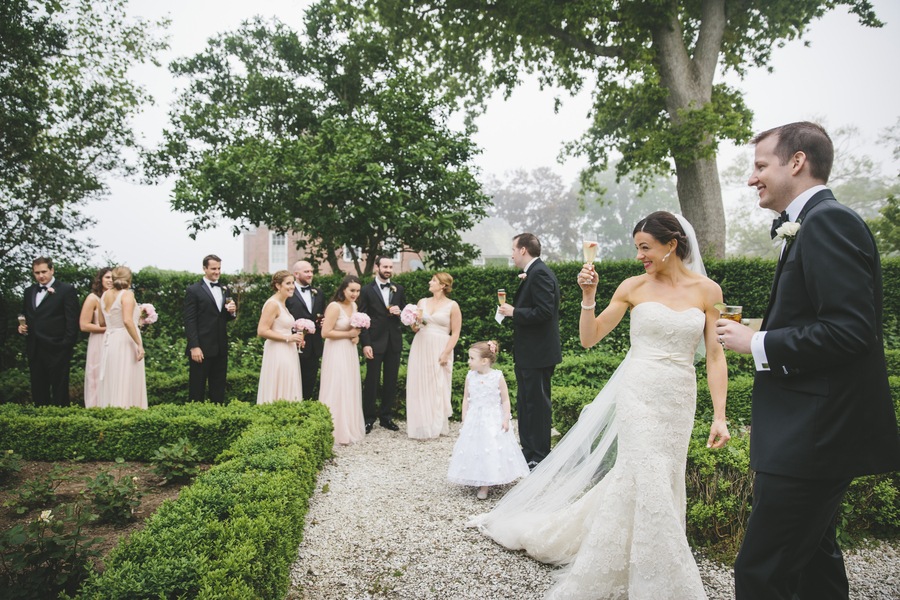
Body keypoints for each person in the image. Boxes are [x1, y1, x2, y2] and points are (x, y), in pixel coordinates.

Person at [470, 212, 731, 599]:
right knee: (647, 471)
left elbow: (713, 355)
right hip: (638, 392)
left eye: (646, 247)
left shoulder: (709, 291)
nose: (639, 255)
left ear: (671, 245)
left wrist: (721, 416)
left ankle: (634, 551)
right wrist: (588, 298)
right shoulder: (632, 286)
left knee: (662, 475)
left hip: (679, 397)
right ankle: (663, 579)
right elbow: (589, 338)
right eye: (637, 247)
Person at [716, 122, 900, 599]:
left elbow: (851, 331)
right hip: (811, 434)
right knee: (815, 566)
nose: (751, 178)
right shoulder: (811, 223)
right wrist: (763, 332)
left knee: (761, 574)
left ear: (796, 162)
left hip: (814, 439)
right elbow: (825, 321)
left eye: (760, 166)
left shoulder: (828, 221)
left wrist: (757, 344)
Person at [497, 233, 561, 469]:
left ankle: (540, 455)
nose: (512, 254)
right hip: (529, 353)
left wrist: (515, 312)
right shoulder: (534, 273)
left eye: (513, 249)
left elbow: (544, 312)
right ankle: (529, 451)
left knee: (537, 405)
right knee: (526, 403)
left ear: (523, 250)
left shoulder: (541, 273)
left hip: (538, 354)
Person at [447, 340, 529, 500]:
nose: (468, 361)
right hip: (475, 418)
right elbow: (466, 398)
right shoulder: (470, 376)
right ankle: (475, 474)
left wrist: (506, 419)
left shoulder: (497, 376)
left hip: (492, 419)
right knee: (474, 447)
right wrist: (465, 417)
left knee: (490, 446)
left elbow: (505, 400)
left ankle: (486, 482)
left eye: (471, 358)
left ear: (484, 361)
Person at [406, 272, 462, 439]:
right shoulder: (422, 302)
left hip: (440, 347)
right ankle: (420, 425)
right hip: (421, 344)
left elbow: (456, 333)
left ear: (443, 285)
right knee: (419, 383)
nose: (430, 282)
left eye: (434, 280)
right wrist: (415, 324)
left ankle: (435, 425)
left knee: (437, 384)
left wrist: (446, 353)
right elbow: (416, 327)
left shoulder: (453, 305)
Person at [18, 257, 80, 407]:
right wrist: (22, 329)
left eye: (44, 271)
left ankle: (61, 422)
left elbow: (72, 320)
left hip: (57, 348)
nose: (41, 275)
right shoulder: (28, 292)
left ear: (52, 270)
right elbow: (26, 315)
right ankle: (41, 423)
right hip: (35, 348)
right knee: (38, 389)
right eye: (37, 272)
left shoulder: (66, 290)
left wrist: (66, 345)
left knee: (60, 390)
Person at [358, 256, 405, 433]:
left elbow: (405, 314)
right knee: (372, 380)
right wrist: (366, 343)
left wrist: (399, 312)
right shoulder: (366, 290)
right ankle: (368, 419)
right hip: (374, 341)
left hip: (393, 342)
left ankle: (386, 418)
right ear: (376, 267)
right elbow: (362, 318)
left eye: (390, 267)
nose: (388, 269)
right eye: (385, 266)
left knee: (391, 381)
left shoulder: (398, 289)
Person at [318, 275, 366, 446]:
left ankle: (348, 428)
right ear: (343, 289)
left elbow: (354, 330)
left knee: (349, 386)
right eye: (352, 290)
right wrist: (348, 335)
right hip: (336, 350)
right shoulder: (334, 307)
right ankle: (334, 431)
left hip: (349, 351)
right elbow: (325, 333)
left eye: (358, 291)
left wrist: (356, 337)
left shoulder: (354, 305)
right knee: (336, 386)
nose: (355, 294)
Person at [183, 254, 236, 403]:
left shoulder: (225, 289)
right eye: (213, 269)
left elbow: (225, 317)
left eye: (219, 268)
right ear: (204, 268)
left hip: (220, 347)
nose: (217, 272)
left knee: (218, 388)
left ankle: (217, 418)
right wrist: (194, 346)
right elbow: (190, 320)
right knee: (197, 388)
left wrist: (232, 312)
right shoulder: (193, 290)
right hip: (201, 348)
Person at [96, 266, 147, 409]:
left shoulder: (104, 295)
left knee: (113, 378)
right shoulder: (127, 294)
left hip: (110, 340)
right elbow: (127, 321)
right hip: (125, 340)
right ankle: (127, 411)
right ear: (129, 280)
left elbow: (101, 322)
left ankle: (111, 411)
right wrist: (139, 344)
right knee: (126, 379)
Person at [256, 270, 304, 404]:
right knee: (280, 385)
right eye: (288, 283)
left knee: (288, 384)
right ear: (278, 286)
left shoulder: (283, 304)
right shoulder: (272, 304)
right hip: (277, 352)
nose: (292, 286)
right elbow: (262, 330)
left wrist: (295, 340)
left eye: (293, 283)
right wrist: (288, 338)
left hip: (288, 350)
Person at [286, 260, 326, 400]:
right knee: (293, 381)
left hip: (314, 345)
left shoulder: (318, 293)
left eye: (311, 271)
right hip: (294, 344)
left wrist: (322, 322)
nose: (310, 274)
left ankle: (307, 412)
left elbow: (322, 315)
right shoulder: (288, 293)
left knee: (310, 382)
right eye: (306, 272)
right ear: (296, 274)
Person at [79, 268, 113, 408]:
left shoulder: (118, 298)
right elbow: (84, 325)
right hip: (99, 341)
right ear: (100, 280)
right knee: (97, 375)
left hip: (114, 342)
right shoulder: (93, 298)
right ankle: (96, 408)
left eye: (113, 278)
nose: (110, 280)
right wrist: (108, 329)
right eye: (107, 277)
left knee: (113, 376)